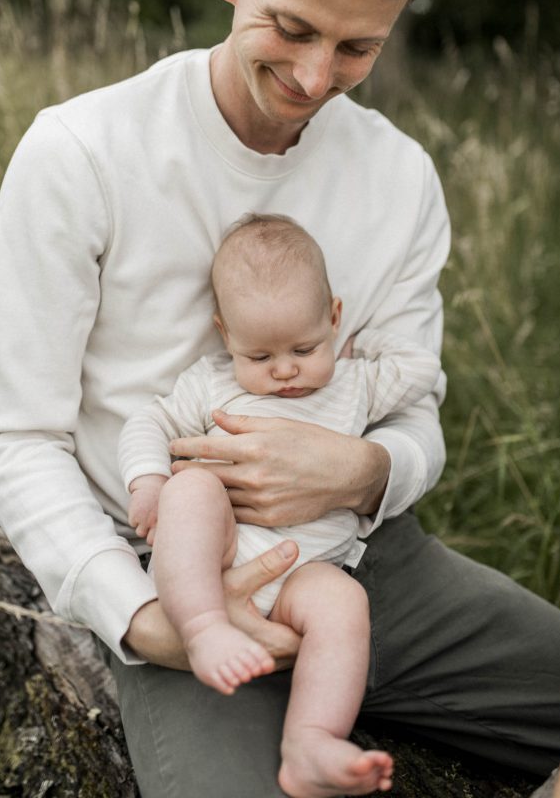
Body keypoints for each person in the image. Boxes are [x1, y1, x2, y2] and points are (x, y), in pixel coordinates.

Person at [0, 0, 560, 798]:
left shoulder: (399, 178)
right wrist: (143, 617)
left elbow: (415, 405)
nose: (313, 76)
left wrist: (367, 468)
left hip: (365, 566)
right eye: (291, 29)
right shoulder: (80, 154)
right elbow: (12, 437)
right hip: (176, 582)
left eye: (357, 48)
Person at [119, 212, 442, 796]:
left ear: (334, 318)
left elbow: (422, 368)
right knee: (191, 488)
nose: (286, 370)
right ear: (226, 336)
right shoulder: (212, 382)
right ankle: (202, 628)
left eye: (304, 347)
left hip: (304, 573)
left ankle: (310, 741)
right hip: (219, 555)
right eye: (259, 357)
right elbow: (149, 421)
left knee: (344, 603)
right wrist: (147, 480)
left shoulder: (355, 383)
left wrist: (357, 342)